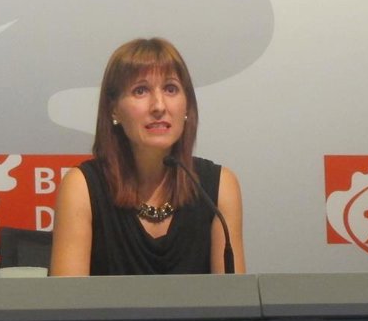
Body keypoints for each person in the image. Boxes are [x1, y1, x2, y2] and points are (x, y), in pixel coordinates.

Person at [50, 37, 246, 276]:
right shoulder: (82, 188)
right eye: (140, 90)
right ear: (114, 109)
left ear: (187, 106)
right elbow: (69, 299)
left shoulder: (219, 187)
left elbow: (233, 297)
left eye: (170, 89)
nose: (159, 106)